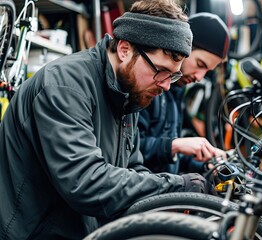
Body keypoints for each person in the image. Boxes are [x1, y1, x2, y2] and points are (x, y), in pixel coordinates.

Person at [0, 0, 211, 239]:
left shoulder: (128, 95)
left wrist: (174, 201)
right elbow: (84, 182)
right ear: (124, 50)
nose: (165, 84)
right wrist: (176, 186)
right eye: (160, 71)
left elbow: (132, 168)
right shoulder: (64, 86)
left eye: (172, 76)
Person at [138, 12, 230, 174]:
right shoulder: (148, 86)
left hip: (164, 188)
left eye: (206, 71)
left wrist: (206, 166)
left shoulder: (176, 92)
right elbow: (129, 151)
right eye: (200, 64)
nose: (199, 77)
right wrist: (175, 145)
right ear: (182, 47)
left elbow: (170, 159)